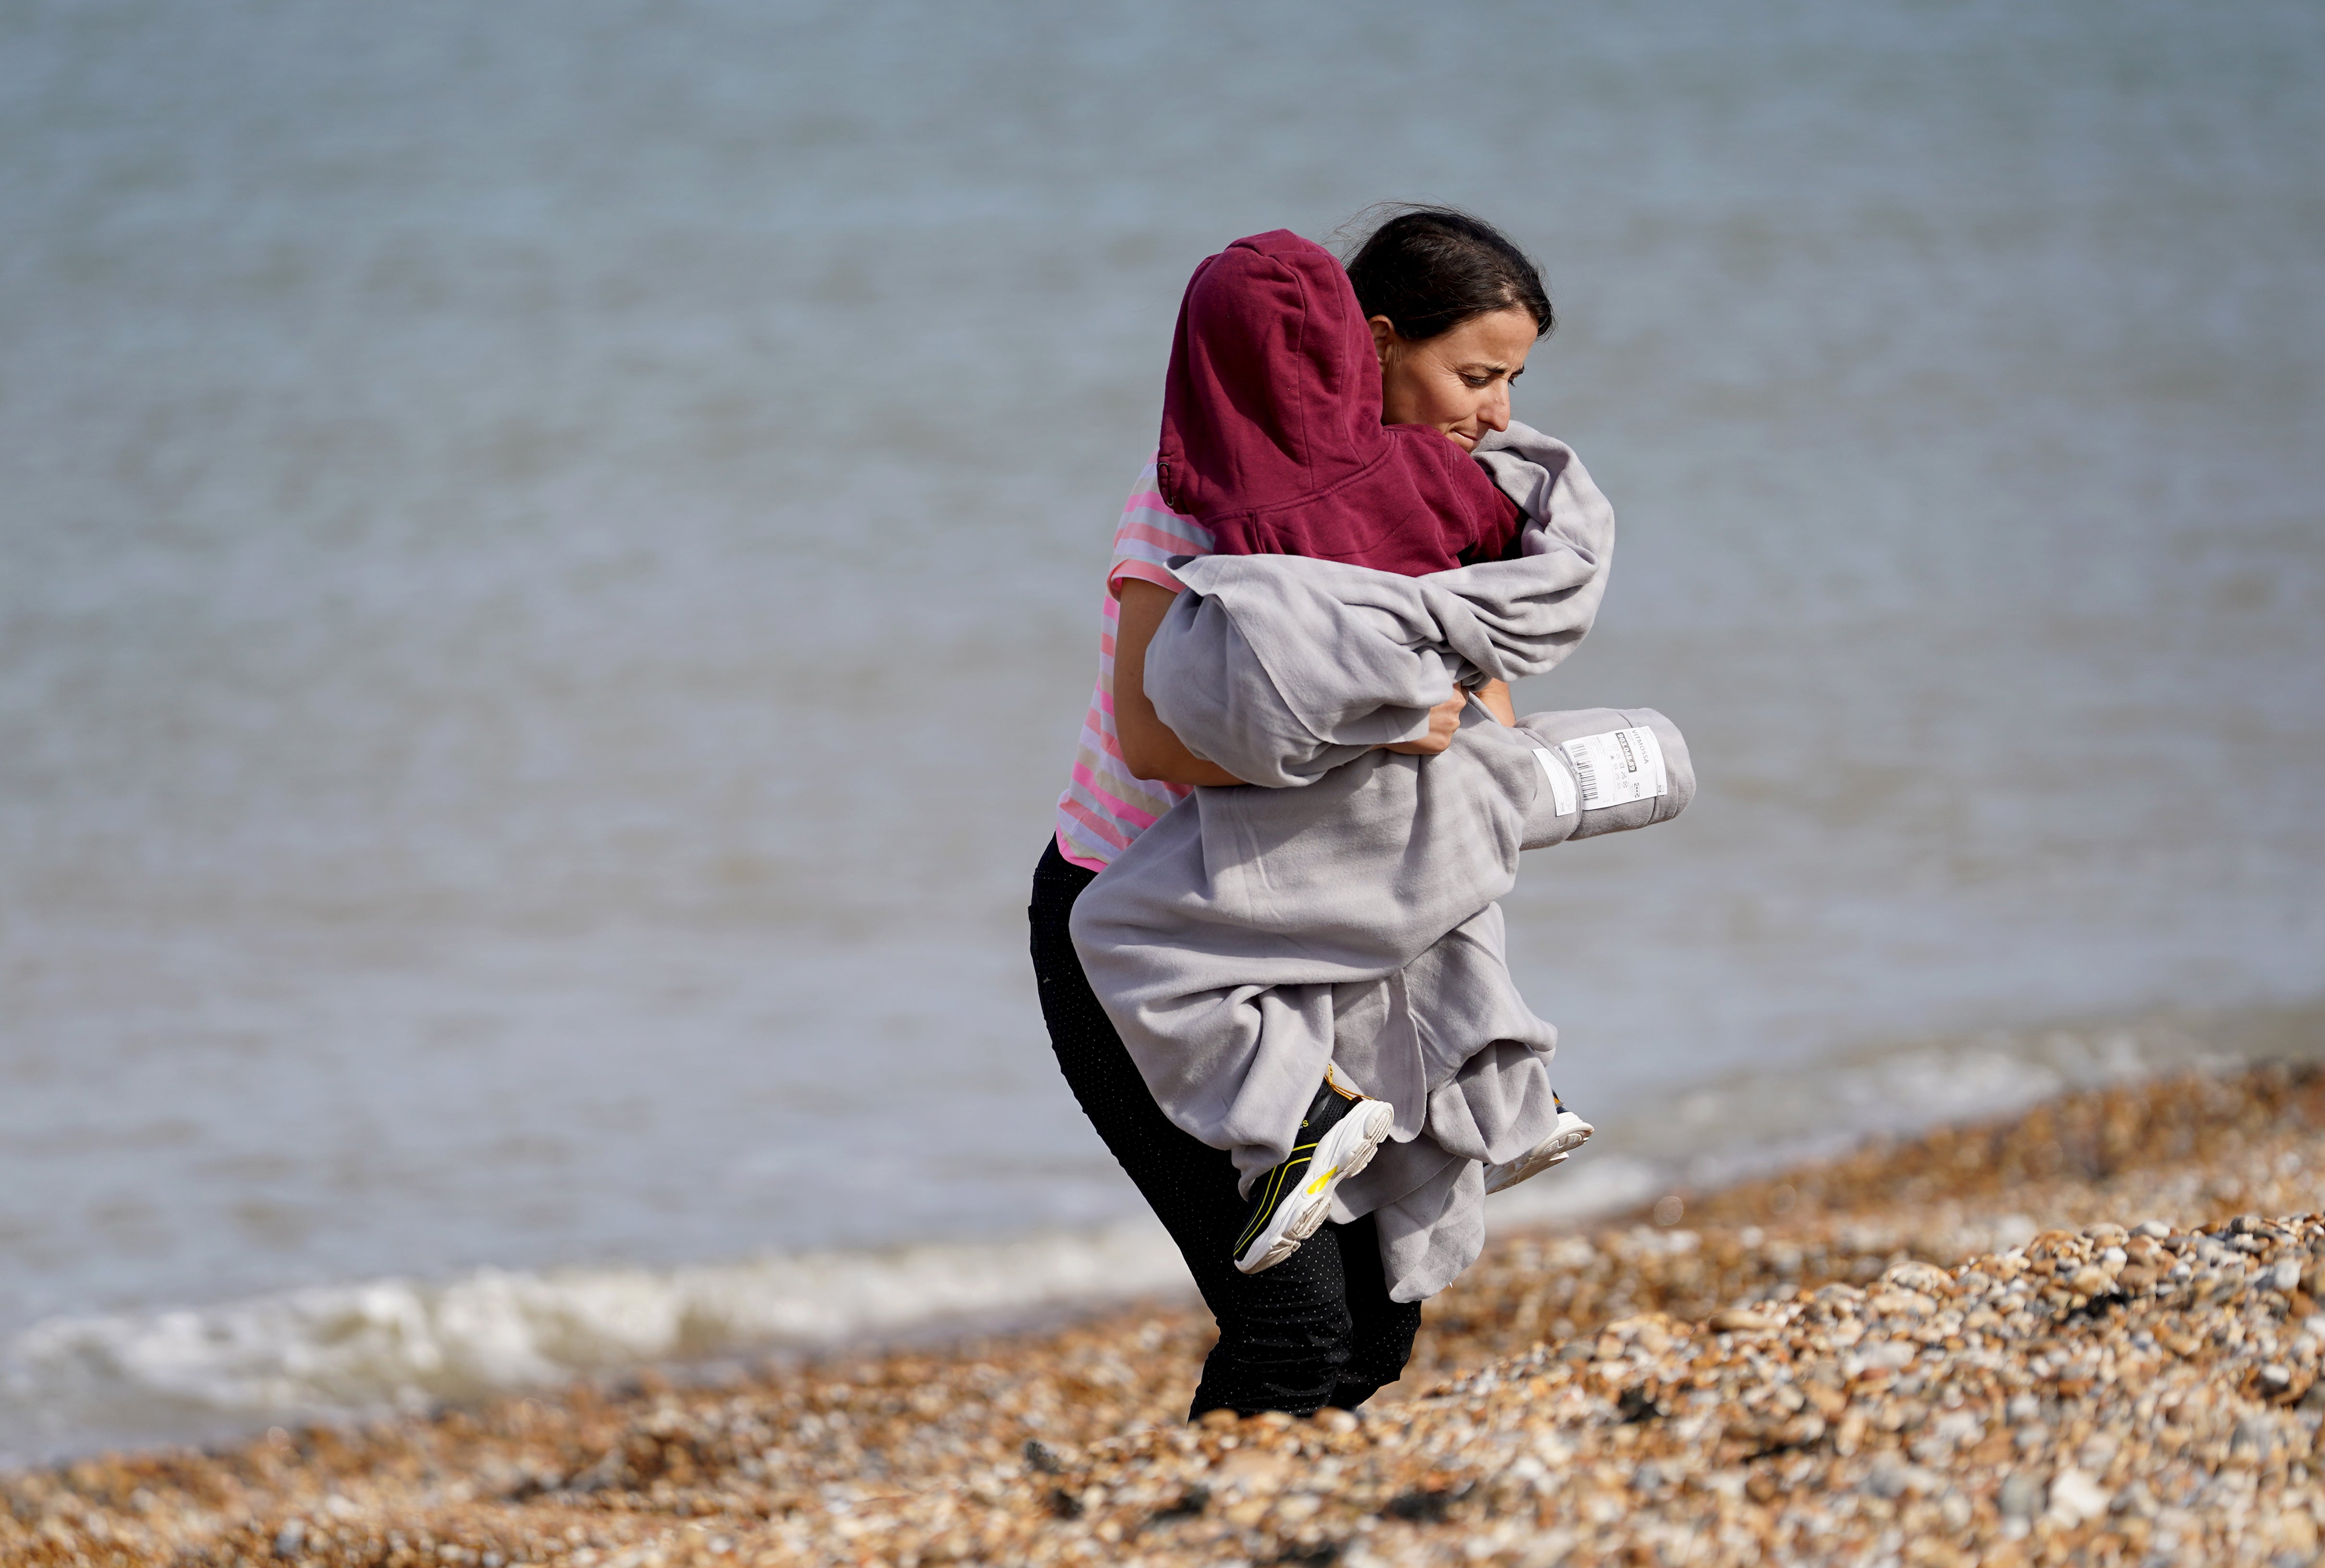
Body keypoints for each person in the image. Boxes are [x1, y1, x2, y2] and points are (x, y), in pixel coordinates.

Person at [1031, 208, 1592, 1420]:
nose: (1497, 412)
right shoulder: (1200, 487)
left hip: (1331, 936)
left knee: (1382, 1325)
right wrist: (1389, 721)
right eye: (1475, 375)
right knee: (1297, 1331)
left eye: (1513, 382)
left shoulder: (1435, 502)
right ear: (1376, 343)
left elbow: (1477, 700)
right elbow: (1151, 737)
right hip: (1146, 942)